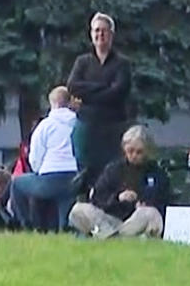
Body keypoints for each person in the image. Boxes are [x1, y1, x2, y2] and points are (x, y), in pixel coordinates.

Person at [67, 12, 132, 191]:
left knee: (113, 174)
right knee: (85, 174)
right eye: (96, 31)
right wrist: (104, 87)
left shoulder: (122, 63)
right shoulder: (82, 62)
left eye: (104, 31)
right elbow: (72, 86)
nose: (100, 35)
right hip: (87, 127)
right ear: (91, 34)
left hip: (113, 128)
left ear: (111, 34)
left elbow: (118, 92)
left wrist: (88, 93)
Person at [69, 125, 169, 238]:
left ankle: (115, 237)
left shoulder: (156, 173)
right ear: (124, 149)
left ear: (147, 152)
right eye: (130, 151)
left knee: (151, 213)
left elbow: (163, 200)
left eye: (139, 152)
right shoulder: (113, 169)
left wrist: (142, 202)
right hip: (111, 220)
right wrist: (118, 198)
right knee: (79, 210)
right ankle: (112, 236)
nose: (134, 155)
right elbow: (97, 197)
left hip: (137, 220)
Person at [11, 86, 78, 231]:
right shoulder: (77, 124)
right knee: (65, 209)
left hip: (50, 178)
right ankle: (63, 228)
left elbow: (35, 157)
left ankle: (26, 225)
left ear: (52, 103)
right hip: (74, 177)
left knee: (17, 183)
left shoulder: (46, 125)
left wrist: (38, 171)